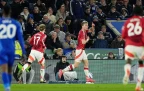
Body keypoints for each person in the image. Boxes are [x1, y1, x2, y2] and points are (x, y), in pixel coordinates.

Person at [0, 5, 26, 91]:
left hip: (2, 48)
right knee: (10, 69)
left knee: (4, 68)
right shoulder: (15, 23)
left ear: (3, 12)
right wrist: (24, 52)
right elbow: (21, 39)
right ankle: (8, 87)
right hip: (11, 49)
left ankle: (7, 88)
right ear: (10, 12)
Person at [122, 6, 144, 91]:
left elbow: (123, 35)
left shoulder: (128, 21)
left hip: (129, 45)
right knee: (141, 63)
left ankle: (127, 73)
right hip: (139, 45)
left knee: (128, 61)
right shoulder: (142, 20)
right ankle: (138, 85)